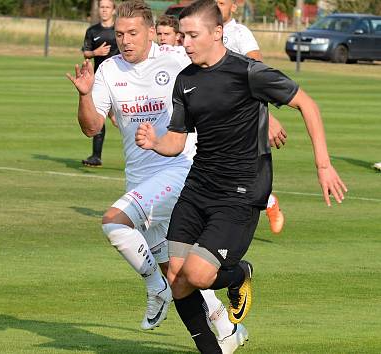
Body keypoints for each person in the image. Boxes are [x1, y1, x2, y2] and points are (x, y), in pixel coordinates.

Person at [135, 1, 347, 352]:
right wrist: (156, 143)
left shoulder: (248, 72)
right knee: (176, 279)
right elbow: (177, 140)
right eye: (182, 35)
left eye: (192, 35)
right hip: (198, 186)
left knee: (199, 275)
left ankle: (239, 274)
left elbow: (307, 105)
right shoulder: (185, 80)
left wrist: (323, 165)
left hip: (240, 191)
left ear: (217, 33)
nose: (184, 42)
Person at [67, 1, 248, 352]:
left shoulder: (175, 57)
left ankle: (154, 288)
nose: (125, 40)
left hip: (179, 168)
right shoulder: (108, 71)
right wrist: (86, 95)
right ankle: (226, 328)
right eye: (120, 34)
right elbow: (92, 127)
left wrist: (257, 111)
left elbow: (220, 73)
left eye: (133, 33)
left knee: (114, 223)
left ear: (152, 32)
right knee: (177, 272)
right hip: (139, 177)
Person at [216, 0, 286, 234]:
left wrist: (265, 117)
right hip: (207, 114)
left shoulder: (239, 33)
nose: (216, 6)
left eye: (221, 2)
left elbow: (257, 73)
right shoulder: (202, 31)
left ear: (234, 6)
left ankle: (267, 200)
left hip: (237, 117)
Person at [80, 0, 120, 167]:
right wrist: (95, 52)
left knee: (122, 118)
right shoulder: (93, 30)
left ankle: (150, 151)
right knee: (98, 116)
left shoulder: (120, 30)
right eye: (101, 7)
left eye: (107, 7)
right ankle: (96, 156)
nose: (104, 10)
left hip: (120, 80)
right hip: (100, 81)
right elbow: (86, 52)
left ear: (113, 10)